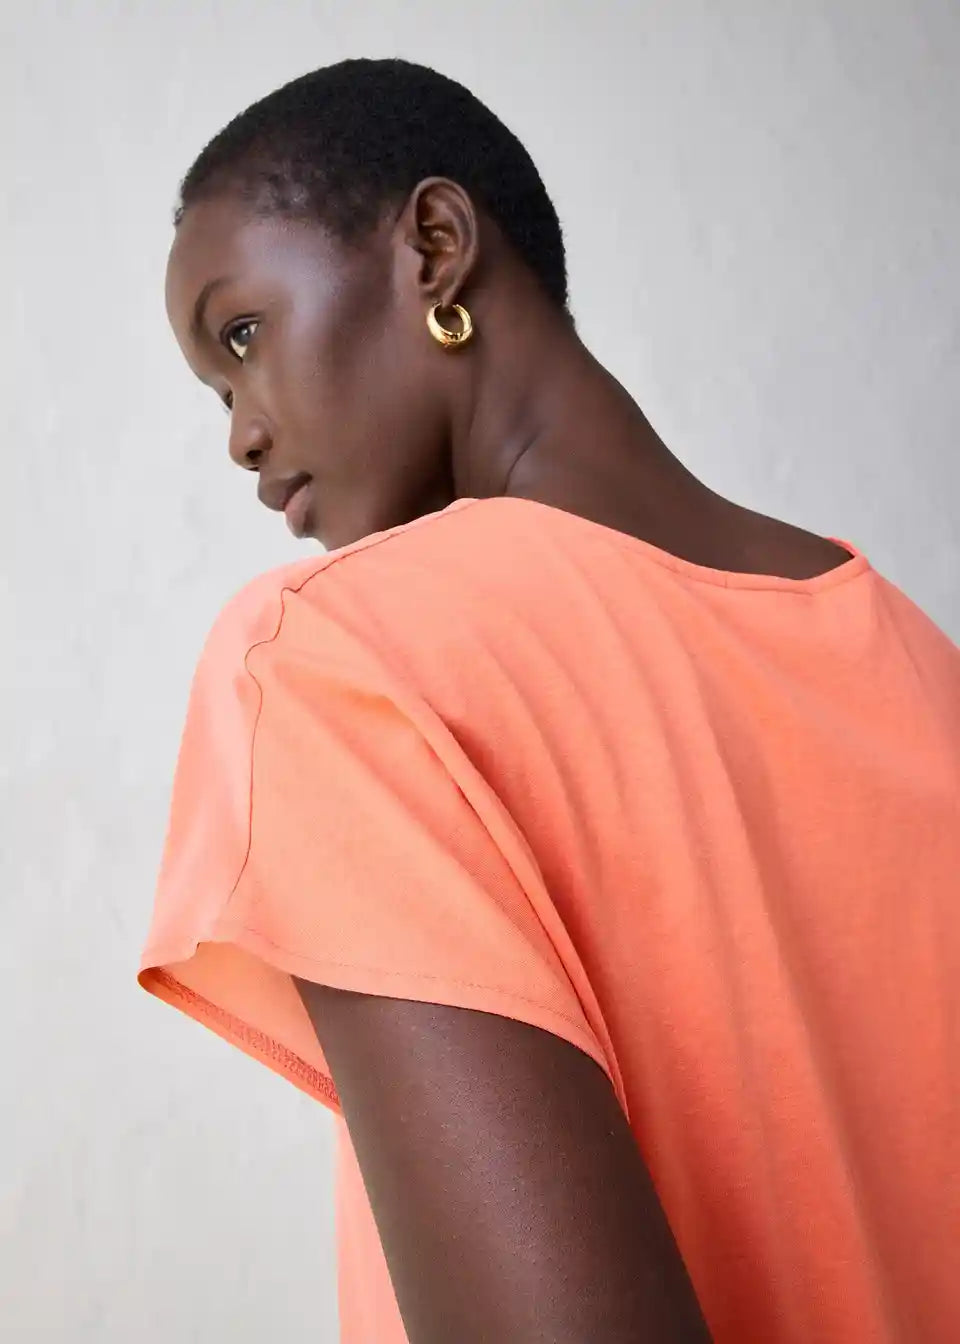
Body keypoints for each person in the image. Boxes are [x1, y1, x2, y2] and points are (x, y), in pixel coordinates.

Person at [139, 57, 960, 1344]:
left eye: (240, 336)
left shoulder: (345, 660)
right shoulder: (917, 660)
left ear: (435, 246)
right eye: (220, 390)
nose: (241, 434)